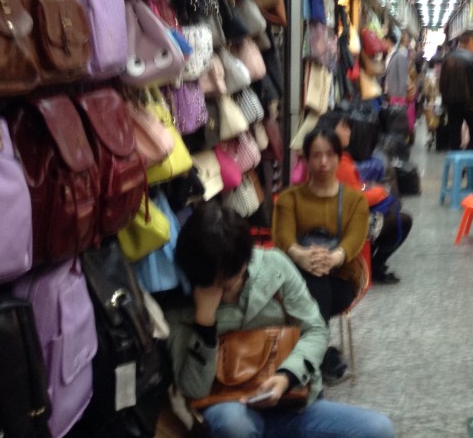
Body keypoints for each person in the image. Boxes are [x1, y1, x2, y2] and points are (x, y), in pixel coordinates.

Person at [167, 202, 395, 438]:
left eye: (230, 281)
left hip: (291, 402)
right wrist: (205, 323)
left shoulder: (273, 266)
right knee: (234, 424)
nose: (225, 293)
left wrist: (287, 377)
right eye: (214, 285)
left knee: (377, 429)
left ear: (246, 261)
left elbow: (315, 329)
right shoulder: (181, 308)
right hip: (230, 408)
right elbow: (194, 389)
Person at [273, 127, 369, 382]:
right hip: (298, 278)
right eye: (316, 155)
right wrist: (301, 256)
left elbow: (355, 239)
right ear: (305, 159)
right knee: (313, 279)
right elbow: (283, 238)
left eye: (329, 154)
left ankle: (310, 355)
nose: (323, 162)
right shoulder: (289, 198)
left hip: (341, 280)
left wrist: (333, 258)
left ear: (339, 157)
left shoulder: (355, 201)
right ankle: (321, 355)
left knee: (318, 281)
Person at [323, 111, 413, 285]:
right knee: (402, 219)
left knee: (395, 215)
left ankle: (372, 264)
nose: (349, 132)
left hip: (345, 215)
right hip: (344, 223)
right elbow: (353, 197)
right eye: (344, 128)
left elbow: (355, 187)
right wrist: (379, 192)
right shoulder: (337, 160)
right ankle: (374, 265)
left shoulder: (341, 157)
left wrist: (371, 188)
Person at [439, 30, 473, 151]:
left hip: (452, 104)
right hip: (471, 105)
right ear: (471, 41)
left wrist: (445, 102)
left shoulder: (448, 58)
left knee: (454, 135)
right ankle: (469, 164)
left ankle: (456, 163)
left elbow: (442, 84)